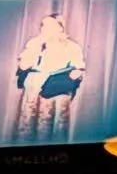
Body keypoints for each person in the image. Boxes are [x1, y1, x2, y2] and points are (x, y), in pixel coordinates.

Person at [15, 13, 85, 143]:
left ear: (60, 28)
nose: (43, 28)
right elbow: (24, 66)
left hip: (56, 92)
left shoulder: (72, 47)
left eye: (49, 25)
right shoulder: (35, 44)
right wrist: (36, 45)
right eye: (42, 25)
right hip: (33, 91)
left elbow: (78, 69)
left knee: (51, 130)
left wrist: (75, 74)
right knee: (27, 129)